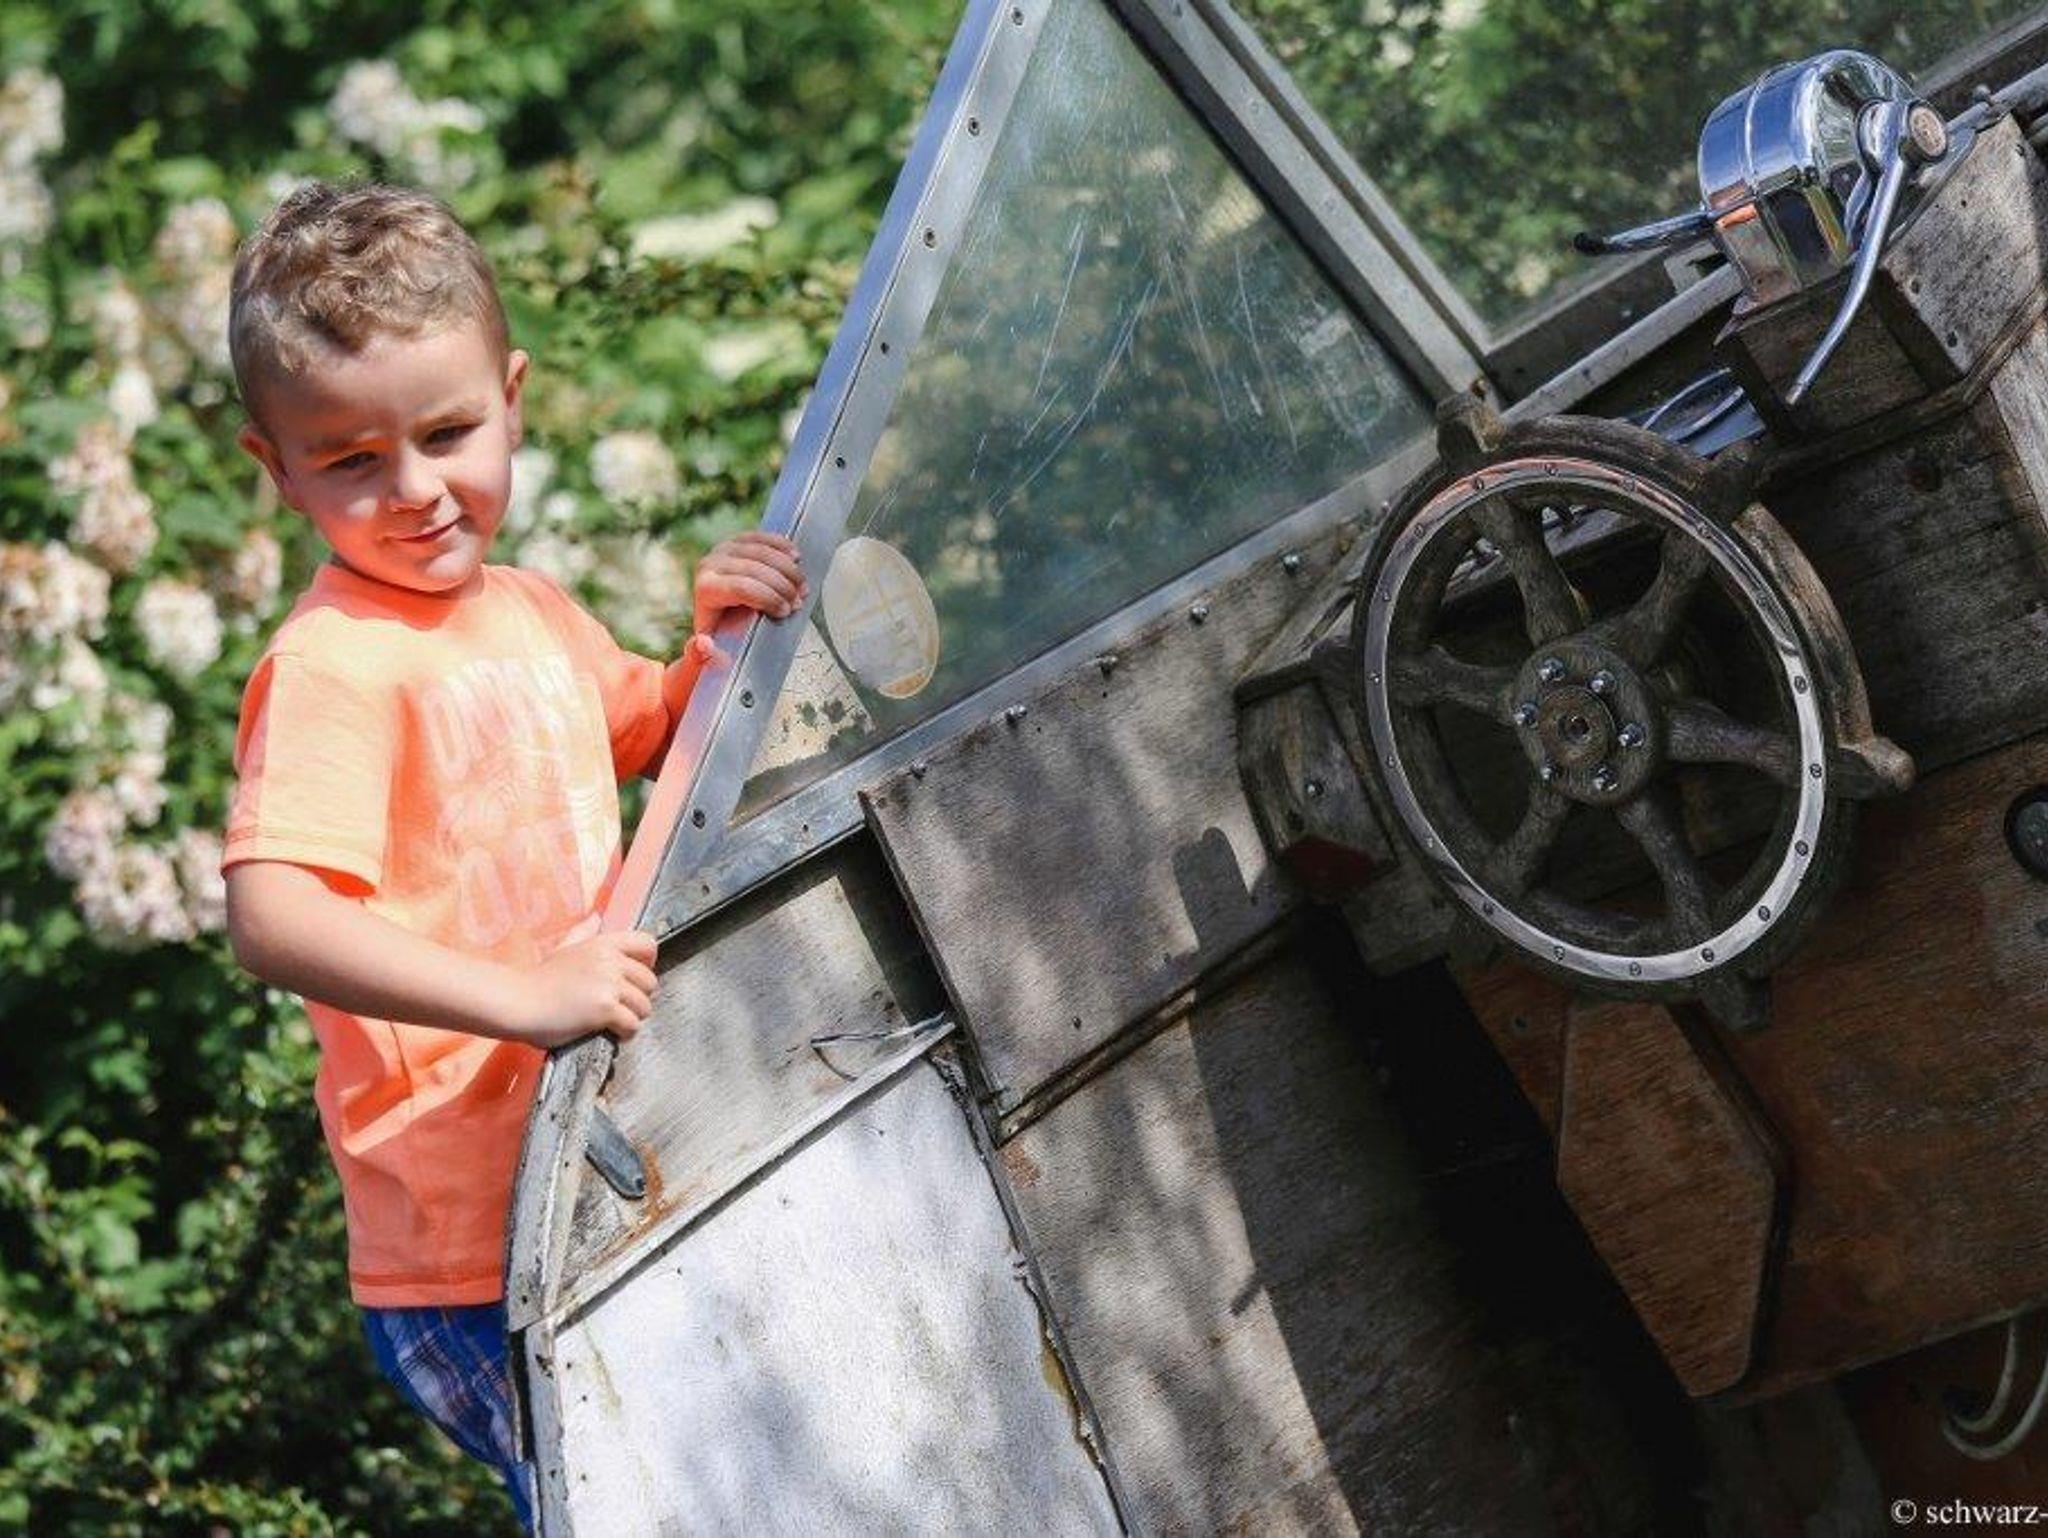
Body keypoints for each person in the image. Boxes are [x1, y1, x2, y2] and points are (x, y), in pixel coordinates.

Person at [218, 179, 807, 1530]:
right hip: (469, 1252)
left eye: (448, 433)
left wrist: (712, 642)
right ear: (278, 468)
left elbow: (643, 737)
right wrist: (525, 998)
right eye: (350, 459)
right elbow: (274, 915)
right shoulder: (334, 666)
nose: (416, 490)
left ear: (513, 399)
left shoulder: (531, 610)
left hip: (596, 1174)